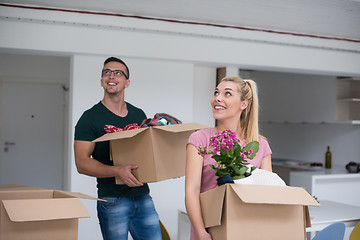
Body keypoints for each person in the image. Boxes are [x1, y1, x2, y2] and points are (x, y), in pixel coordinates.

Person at [74, 57, 161, 240]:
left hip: (142, 196)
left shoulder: (138, 115)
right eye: (107, 72)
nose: (111, 76)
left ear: (127, 82)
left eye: (118, 73)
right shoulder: (89, 118)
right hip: (112, 199)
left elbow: (146, 152)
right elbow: (81, 163)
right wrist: (117, 171)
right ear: (101, 81)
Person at [185, 76, 272, 240]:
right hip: (209, 232)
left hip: (247, 231)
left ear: (243, 104)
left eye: (227, 94)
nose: (217, 97)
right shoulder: (199, 139)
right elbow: (191, 191)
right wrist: (201, 233)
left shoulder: (260, 145)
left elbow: (266, 194)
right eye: (216, 92)